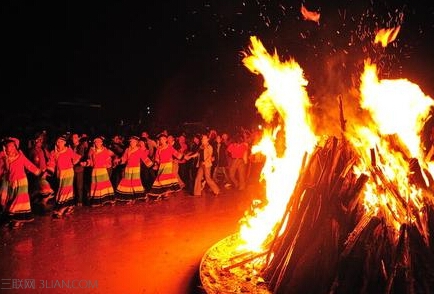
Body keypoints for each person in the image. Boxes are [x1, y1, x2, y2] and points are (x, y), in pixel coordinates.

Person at [0, 137, 42, 228]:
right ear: (5, 147)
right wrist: (6, 163)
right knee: (10, 200)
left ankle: (17, 220)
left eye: (12, 146)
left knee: (18, 201)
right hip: (10, 183)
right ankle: (12, 218)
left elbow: (28, 164)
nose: (10, 148)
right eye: (8, 146)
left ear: (15, 147)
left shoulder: (20, 156)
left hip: (21, 182)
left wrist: (37, 171)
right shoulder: (4, 157)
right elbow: (3, 171)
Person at [45, 135, 82, 218]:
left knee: (64, 190)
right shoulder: (53, 152)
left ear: (65, 142)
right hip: (59, 174)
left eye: (61, 142)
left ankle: (61, 209)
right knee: (64, 190)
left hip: (68, 173)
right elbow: (51, 163)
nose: (59, 143)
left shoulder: (68, 150)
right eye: (58, 142)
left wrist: (77, 162)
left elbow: (75, 158)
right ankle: (70, 206)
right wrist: (48, 172)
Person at [115, 136, 153, 203]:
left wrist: (151, 165)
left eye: (134, 142)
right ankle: (130, 198)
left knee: (136, 183)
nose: (132, 143)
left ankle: (143, 196)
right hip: (128, 168)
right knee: (128, 183)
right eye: (131, 141)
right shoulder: (127, 150)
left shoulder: (139, 150)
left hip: (136, 168)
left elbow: (145, 158)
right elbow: (124, 159)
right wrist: (119, 160)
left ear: (136, 143)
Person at [147, 133, 184, 200]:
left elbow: (176, 154)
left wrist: (183, 157)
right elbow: (157, 158)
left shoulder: (169, 147)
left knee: (163, 179)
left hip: (168, 165)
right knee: (160, 179)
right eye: (160, 139)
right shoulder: (159, 149)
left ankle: (165, 193)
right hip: (161, 166)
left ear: (166, 140)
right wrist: (156, 164)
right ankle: (163, 193)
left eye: (163, 139)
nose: (162, 141)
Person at [86, 136, 116, 207]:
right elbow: (90, 161)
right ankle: (98, 201)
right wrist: (86, 163)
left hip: (102, 170)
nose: (97, 143)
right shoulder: (91, 150)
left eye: (99, 141)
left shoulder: (105, 150)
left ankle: (110, 200)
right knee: (97, 186)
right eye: (96, 141)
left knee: (105, 185)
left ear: (102, 143)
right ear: (94, 142)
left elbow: (110, 158)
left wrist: (109, 164)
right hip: (95, 171)